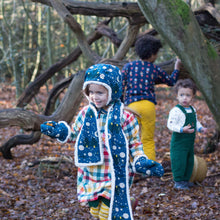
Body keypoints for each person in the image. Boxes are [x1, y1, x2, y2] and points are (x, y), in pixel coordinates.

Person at [40, 64, 164, 220]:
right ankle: (130, 202)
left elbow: (135, 144)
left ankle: (124, 201)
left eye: (100, 92)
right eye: (90, 92)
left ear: (113, 91)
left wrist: (141, 161)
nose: (94, 96)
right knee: (95, 212)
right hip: (91, 173)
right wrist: (60, 131)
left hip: (114, 173)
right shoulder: (86, 114)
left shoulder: (125, 118)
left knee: (107, 214)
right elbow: (74, 135)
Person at [121, 34, 182, 161]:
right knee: (147, 138)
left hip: (131, 107)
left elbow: (120, 86)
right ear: (153, 53)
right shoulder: (154, 69)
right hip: (148, 106)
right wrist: (176, 68)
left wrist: (121, 105)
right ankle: (149, 167)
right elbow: (171, 82)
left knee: (132, 138)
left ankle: (133, 165)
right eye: (157, 53)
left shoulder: (128, 67)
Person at [167, 78, 207, 190]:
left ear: (193, 96)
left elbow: (195, 121)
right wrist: (181, 129)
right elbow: (170, 125)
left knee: (189, 161)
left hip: (189, 143)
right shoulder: (176, 111)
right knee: (179, 161)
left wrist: (200, 128)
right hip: (179, 142)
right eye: (182, 95)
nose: (185, 98)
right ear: (177, 96)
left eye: (188, 95)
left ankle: (186, 180)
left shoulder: (192, 109)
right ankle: (178, 181)